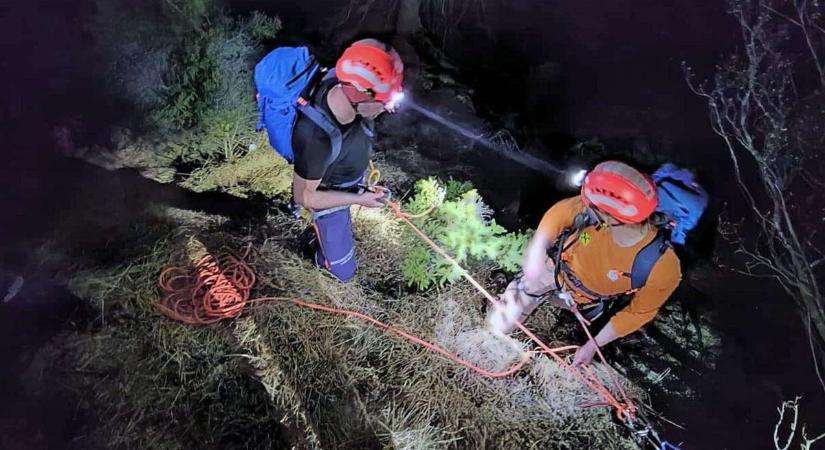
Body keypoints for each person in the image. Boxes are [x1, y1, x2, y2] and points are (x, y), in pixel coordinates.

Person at [486, 161, 682, 366]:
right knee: (505, 315)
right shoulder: (595, 210)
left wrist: (591, 346)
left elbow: (638, 312)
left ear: (611, 216)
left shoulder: (662, 267)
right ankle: (488, 340)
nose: (587, 205)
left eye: (594, 208)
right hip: (557, 268)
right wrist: (538, 248)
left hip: (584, 299)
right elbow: (561, 213)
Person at [290, 39, 404, 282]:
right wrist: (359, 199)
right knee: (343, 273)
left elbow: (379, 54)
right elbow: (303, 197)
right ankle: (317, 254)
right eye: (384, 102)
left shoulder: (345, 84)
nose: (388, 109)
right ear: (359, 94)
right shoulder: (315, 139)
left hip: (346, 174)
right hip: (327, 195)